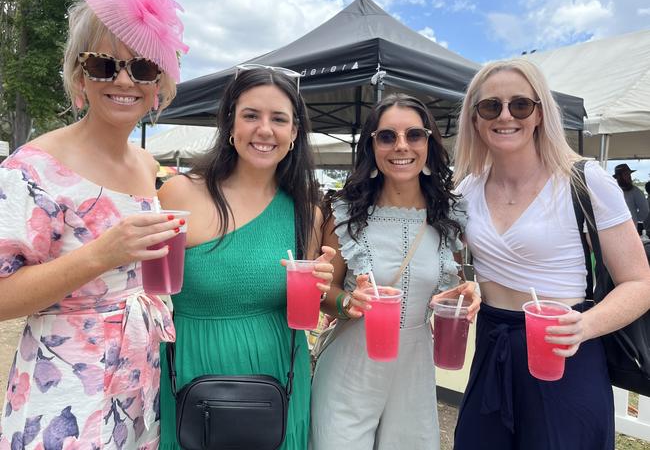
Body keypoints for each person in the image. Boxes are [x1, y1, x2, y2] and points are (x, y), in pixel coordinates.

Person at [0, 0, 188, 448]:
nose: (124, 79)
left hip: (139, 389)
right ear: (80, 73)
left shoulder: (147, 164)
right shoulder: (33, 168)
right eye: (104, 64)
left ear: (159, 84)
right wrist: (99, 255)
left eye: (143, 66)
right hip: (65, 395)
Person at [452, 58, 650, 449]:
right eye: (491, 106)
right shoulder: (466, 189)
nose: (505, 115)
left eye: (520, 105)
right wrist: (463, 286)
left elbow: (640, 282)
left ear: (540, 113)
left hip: (565, 352)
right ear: (475, 119)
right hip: (493, 347)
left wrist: (586, 325)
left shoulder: (585, 180)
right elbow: (451, 262)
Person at [157, 67, 335, 450]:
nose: (265, 130)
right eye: (251, 115)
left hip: (277, 377)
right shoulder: (179, 194)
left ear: (294, 134)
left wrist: (321, 286)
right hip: (192, 372)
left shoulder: (307, 211)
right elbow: (148, 290)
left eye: (279, 119)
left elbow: (304, 304)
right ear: (230, 125)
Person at [310, 93, 480, 450]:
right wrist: (346, 303)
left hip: (415, 369)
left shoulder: (449, 217)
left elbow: (450, 283)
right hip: (349, 367)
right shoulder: (345, 213)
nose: (401, 145)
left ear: (428, 143)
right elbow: (326, 292)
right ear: (372, 147)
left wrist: (466, 292)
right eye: (387, 136)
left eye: (414, 135)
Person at [612, 163, 649, 234]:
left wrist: (633, 218)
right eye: (626, 174)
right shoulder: (612, 190)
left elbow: (645, 211)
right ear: (618, 177)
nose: (629, 177)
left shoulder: (635, 191)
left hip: (630, 230)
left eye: (629, 174)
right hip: (614, 230)